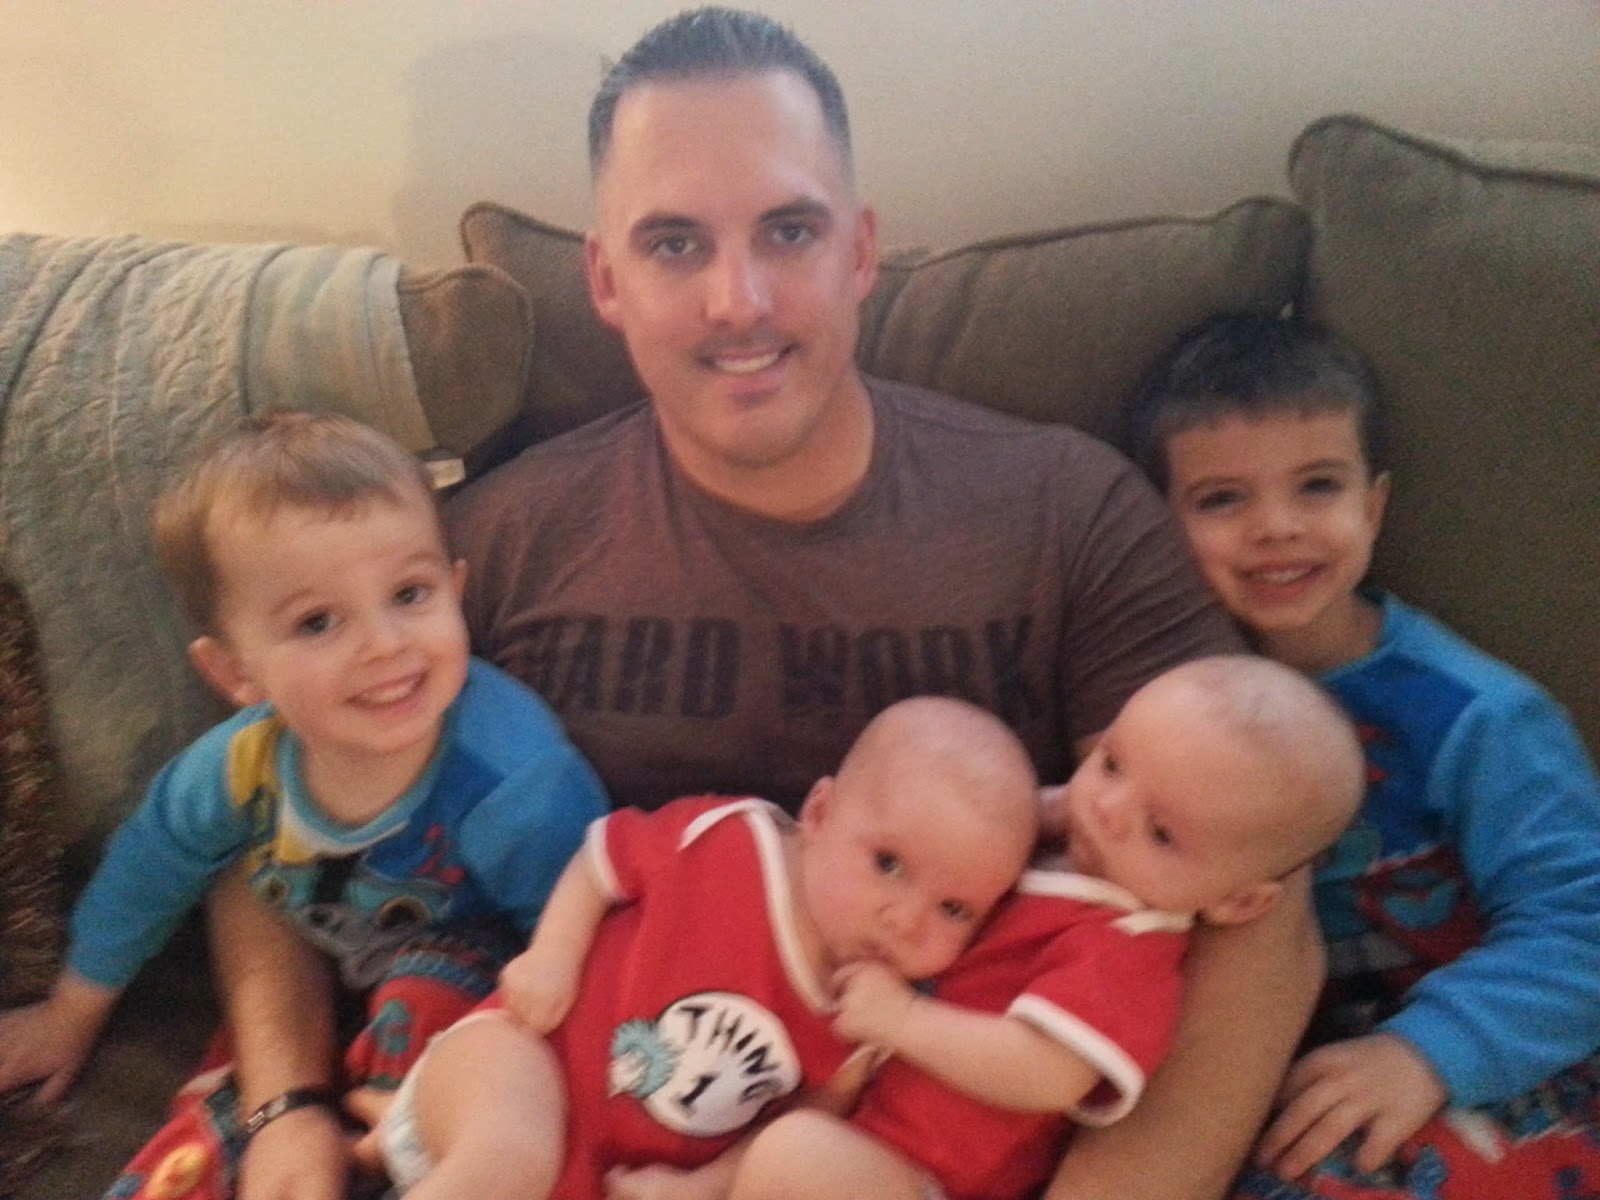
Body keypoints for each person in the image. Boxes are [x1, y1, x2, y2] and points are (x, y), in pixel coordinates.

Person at [196, 11, 1328, 1200]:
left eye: (788, 231)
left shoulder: (1064, 512)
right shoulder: (491, 548)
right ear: (605, 279)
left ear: (859, 251)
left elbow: (1260, 909)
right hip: (564, 1117)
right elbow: (263, 811)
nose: (738, 300)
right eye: (674, 244)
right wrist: (283, 1105)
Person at [0, 412, 608, 1200]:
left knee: (424, 991)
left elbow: (575, 958)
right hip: (307, 1002)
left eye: (410, 594)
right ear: (235, 673)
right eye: (318, 622)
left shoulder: (515, 782)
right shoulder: (236, 769)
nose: (385, 644)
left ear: (456, 593)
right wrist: (71, 1015)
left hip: (473, 1000)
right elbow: (145, 873)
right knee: (207, 1145)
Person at [1125, 310, 1600, 1200]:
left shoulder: (1479, 715)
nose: (1277, 528)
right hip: (1272, 1078)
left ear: (1372, 508)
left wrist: (1428, 1053)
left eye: (1317, 486)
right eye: (1222, 499)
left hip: (1498, 1069)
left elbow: (1584, 920)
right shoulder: (1161, 707)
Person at [730, 655, 1365, 1200]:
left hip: (926, 1177)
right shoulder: (1065, 847)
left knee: (791, 1153)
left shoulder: (1124, 948)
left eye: (1161, 832)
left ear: (1239, 902)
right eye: (1113, 763)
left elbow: (1048, 1073)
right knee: (767, 1139)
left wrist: (903, 1020)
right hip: (854, 1112)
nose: (1107, 810)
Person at [373, 695, 1040, 1200]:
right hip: (519, 1053)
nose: (906, 921)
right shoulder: (729, 838)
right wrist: (552, 955)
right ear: (819, 814)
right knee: (510, 1155)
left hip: (610, 1179)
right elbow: (602, 863)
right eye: (888, 865)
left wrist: (706, 1187)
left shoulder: (876, 1012)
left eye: (954, 910)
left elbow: (804, 1117)